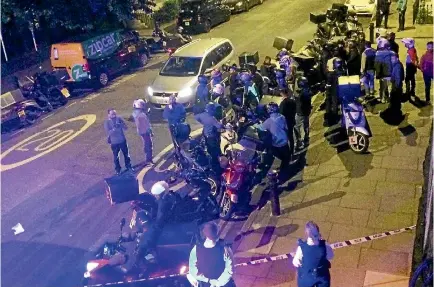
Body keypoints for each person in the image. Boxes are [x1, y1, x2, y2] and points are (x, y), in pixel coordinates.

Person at [188, 222, 235, 287]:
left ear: (204, 233)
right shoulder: (225, 248)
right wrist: (217, 283)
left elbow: (193, 269)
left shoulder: (196, 249)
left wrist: (208, 280)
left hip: (205, 284)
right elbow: (230, 270)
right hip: (223, 284)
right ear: (217, 232)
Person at [292, 221, 334, 287]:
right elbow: (330, 256)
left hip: (306, 278)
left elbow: (295, 262)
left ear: (307, 234)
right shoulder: (325, 245)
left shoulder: (302, 248)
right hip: (322, 276)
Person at [258, 102, 291, 174]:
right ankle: (285, 169)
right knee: (286, 156)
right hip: (284, 140)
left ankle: (283, 171)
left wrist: (258, 123)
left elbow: (261, 128)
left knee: (281, 157)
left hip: (276, 143)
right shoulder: (282, 116)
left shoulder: (268, 121)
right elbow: (286, 128)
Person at [195, 103, 224, 172]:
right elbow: (219, 126)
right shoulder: (212, 119)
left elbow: (196, 117)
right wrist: (224, 125)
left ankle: (211, 159)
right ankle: (215, 165)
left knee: (209, 148)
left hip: (205, 134)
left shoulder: (202, 115)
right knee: (215, 151)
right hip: (212, 137)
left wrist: (203, 123)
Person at [104, 109, 132, 175]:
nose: (114, 115)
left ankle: (128, 166)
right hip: (114, 143)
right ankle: (118, 170)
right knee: (116, 157)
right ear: (108, 115)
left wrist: (121, 125)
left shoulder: (119, 119)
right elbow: (108, 133)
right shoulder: (107, 122)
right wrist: (114, 128)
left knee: (126, 155)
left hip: (122, 140)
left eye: (115, 114)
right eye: (112, 114)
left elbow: (126, 128)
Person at [132, 99, 153, 165]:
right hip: (145, 131)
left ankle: (147, 155)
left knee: (146, 143)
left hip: (141, 131)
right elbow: (147, 124)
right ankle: (148, 160)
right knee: (148, 144)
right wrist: (151, 132)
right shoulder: (142, 115)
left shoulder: (135, 113)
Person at [294, 77, 312, 149]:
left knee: (297, 127)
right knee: (306, 125)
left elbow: (299, 101)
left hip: (300, 112)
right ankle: (306, 138)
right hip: (306, 111)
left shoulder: (302, 93)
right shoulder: (307, 90)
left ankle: (300, 141)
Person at [279, 89, 296, 158]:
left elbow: (281, 114)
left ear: (282, 95)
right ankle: (292, 152)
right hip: (291, 120)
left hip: (285, 123)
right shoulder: (292, 101)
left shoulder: (282, 104)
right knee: (291, 137)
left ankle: (288, 154)